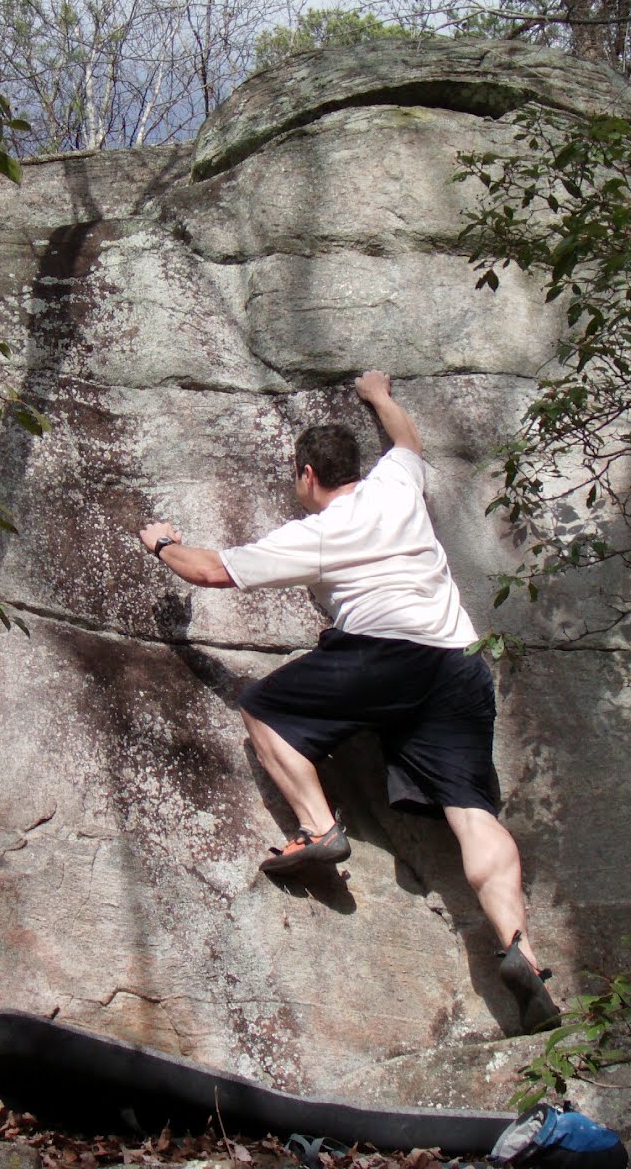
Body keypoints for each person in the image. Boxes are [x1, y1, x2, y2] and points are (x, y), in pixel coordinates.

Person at [136, 370, 561, 1035]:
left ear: (308, 475)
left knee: (264, 708)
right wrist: (382, 397)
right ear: (355, 467)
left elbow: (211, 569)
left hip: (383, 656)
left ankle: (316, 827)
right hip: (457, 664)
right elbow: (408, 443)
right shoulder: (397, 484)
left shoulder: (316, 531)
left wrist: (161, 541)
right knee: (473, 814)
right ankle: (522, 953)